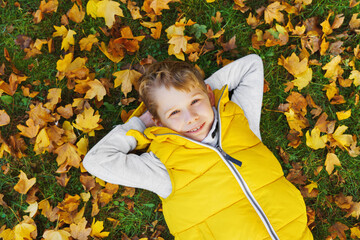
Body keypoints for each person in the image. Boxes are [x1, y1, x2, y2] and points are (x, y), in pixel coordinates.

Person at [83, 54, 313, 240]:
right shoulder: (162, 166)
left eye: (195, 102)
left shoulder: (241, 123)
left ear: (210, 97)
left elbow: (251, 65)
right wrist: (140, 124)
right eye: (174, 112)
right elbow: (97, 160)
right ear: (158, 121)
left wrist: (201, 90)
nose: (191, 117)